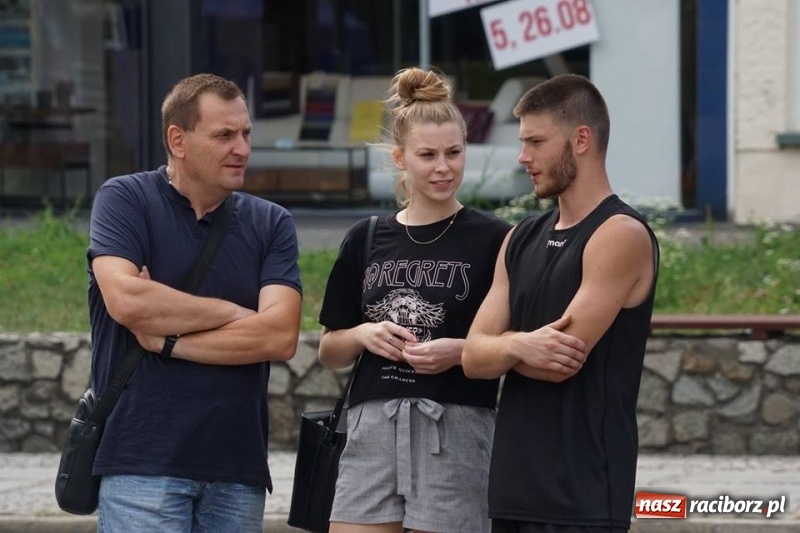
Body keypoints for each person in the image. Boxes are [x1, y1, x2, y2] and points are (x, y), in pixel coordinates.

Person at [87, 73, 302, 532]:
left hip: (237, 469)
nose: (241, 148)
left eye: (245, 134)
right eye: (224, 135)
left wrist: (167, 341)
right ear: (177, 140)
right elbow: (127, 300)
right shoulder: (125, 199)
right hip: (141, 465)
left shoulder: (272, 223)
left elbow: (281, 335)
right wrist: (235, 314)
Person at [317, 67, 512, 533]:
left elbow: (514, 346)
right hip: (371, 428)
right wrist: (364, 334)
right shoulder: (365, 237)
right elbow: (329, 351)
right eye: (428, 155)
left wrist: (460, 352)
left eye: (454, 153)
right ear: (400, 158)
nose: (443, 167)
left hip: (456, 428)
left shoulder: (496, 239)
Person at [462, 73, 660, 532]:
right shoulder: (519, 237)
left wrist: (500, 347)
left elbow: (558, 362)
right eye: (522, 142)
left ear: (581, 140)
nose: (523, 157)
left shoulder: (620, 234)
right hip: (512, 489)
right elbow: (472, 358)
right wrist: (518, 346)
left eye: (536, 142)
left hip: (583, 495)